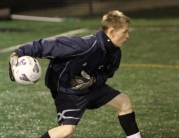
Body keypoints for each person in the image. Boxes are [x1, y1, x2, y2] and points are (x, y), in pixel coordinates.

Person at [9, 10, 142, 138]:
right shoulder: (83, 45)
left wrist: (93, 80)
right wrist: (19, 52)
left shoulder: (115, 54)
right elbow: (46, 46)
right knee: (67, 129)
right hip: (67, 91)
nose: (127, 36)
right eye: (124, 32)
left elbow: (107, 73)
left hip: (91, 87)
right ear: (112, 31)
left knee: (124, 103)